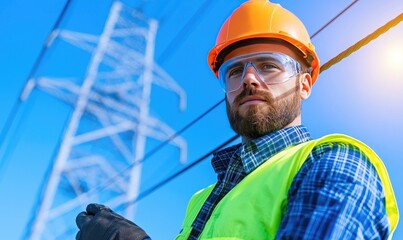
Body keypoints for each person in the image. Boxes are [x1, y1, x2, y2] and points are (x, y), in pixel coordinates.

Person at [75, 0, 399, 239]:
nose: (249, 79)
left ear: (304, 84)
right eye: (234, 71)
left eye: (269, 65)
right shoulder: (201, 201)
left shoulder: (335, 164)